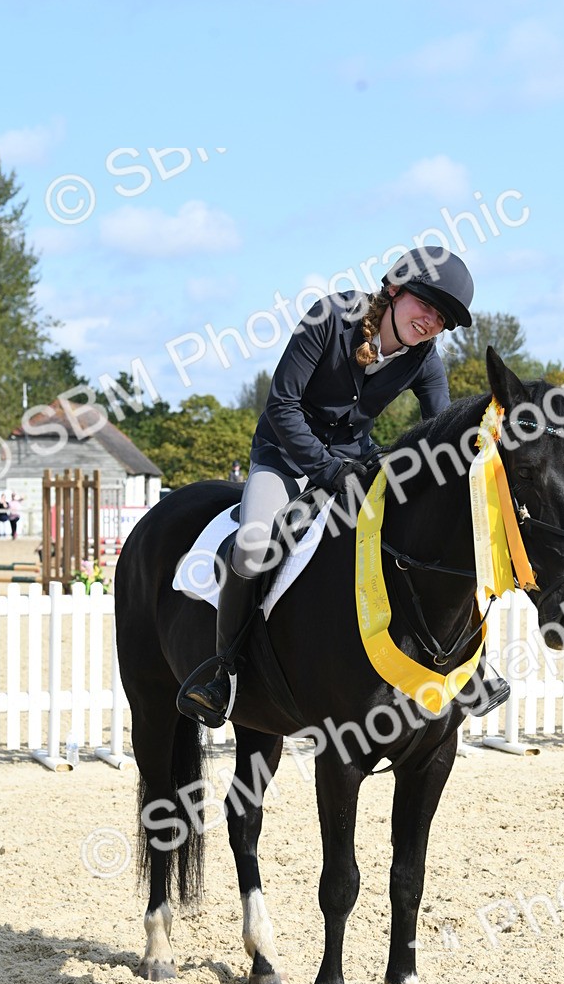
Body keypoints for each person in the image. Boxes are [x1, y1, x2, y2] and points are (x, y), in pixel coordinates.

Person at [184, 246, 509, 726]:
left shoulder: (425, 358)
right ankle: (223, 674)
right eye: (426, 306)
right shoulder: (330, 317)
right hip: (286, 456)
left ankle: (472, 665)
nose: (430, 323)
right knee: (253, 547)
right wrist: (327, 470)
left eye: (441, 319)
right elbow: (282, 405)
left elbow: (441, 429)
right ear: (395, 291)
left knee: (430, 538)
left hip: (356, 462)